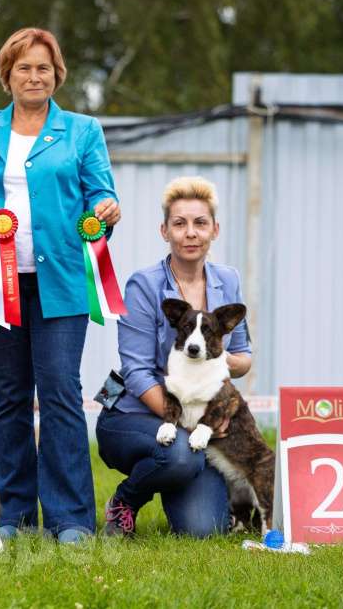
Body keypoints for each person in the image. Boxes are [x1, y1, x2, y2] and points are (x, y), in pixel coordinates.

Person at [0, 27, 120, 544]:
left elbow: (102, 194)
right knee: (9, 400)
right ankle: (15, 517)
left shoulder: (82, 130)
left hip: (63, 283)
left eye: (43, 67)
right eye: (24, 67)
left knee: (62, 395)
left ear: (57, 74)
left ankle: (70, 519)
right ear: (8, 75)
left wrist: (105, 211)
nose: (34, 76)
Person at [96, 176, 252, 538]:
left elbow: (243, 357)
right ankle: (126, 500)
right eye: (179, 224)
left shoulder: (227, 280)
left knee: (203, 530)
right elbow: (135, 372)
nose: (190, 233)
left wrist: (220, 364)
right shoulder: (144, 284)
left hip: (199, 417)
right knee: (180, 453)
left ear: (215, 229)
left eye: (200, 223)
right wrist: (187, 421)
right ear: (164, 231)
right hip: (133, 411)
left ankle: (186, 473)